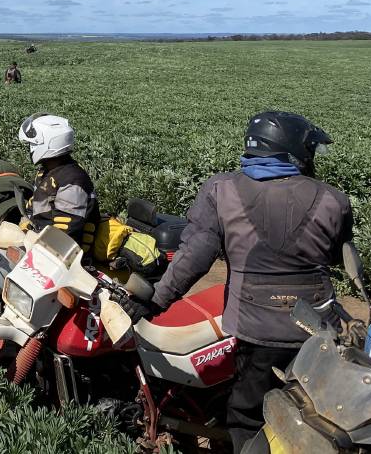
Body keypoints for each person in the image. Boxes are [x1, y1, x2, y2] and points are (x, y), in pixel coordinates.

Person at [117, 111, 348, 453]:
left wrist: (153, 301)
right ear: (294, 152)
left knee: (247, 415)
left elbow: (194, 257)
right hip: (318, 327)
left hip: (257, 330)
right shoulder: (334, 199)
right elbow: (333, 257)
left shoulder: (221, 190)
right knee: (320, 411)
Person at [17, 114, 99, 247]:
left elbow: (65, 234)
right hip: (38, 240)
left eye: (32, 144)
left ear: (48, 144)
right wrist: (26, 224)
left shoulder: (73, 180)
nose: (30, 149)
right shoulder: (46, 171)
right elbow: (36, 205)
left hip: (64, 258)